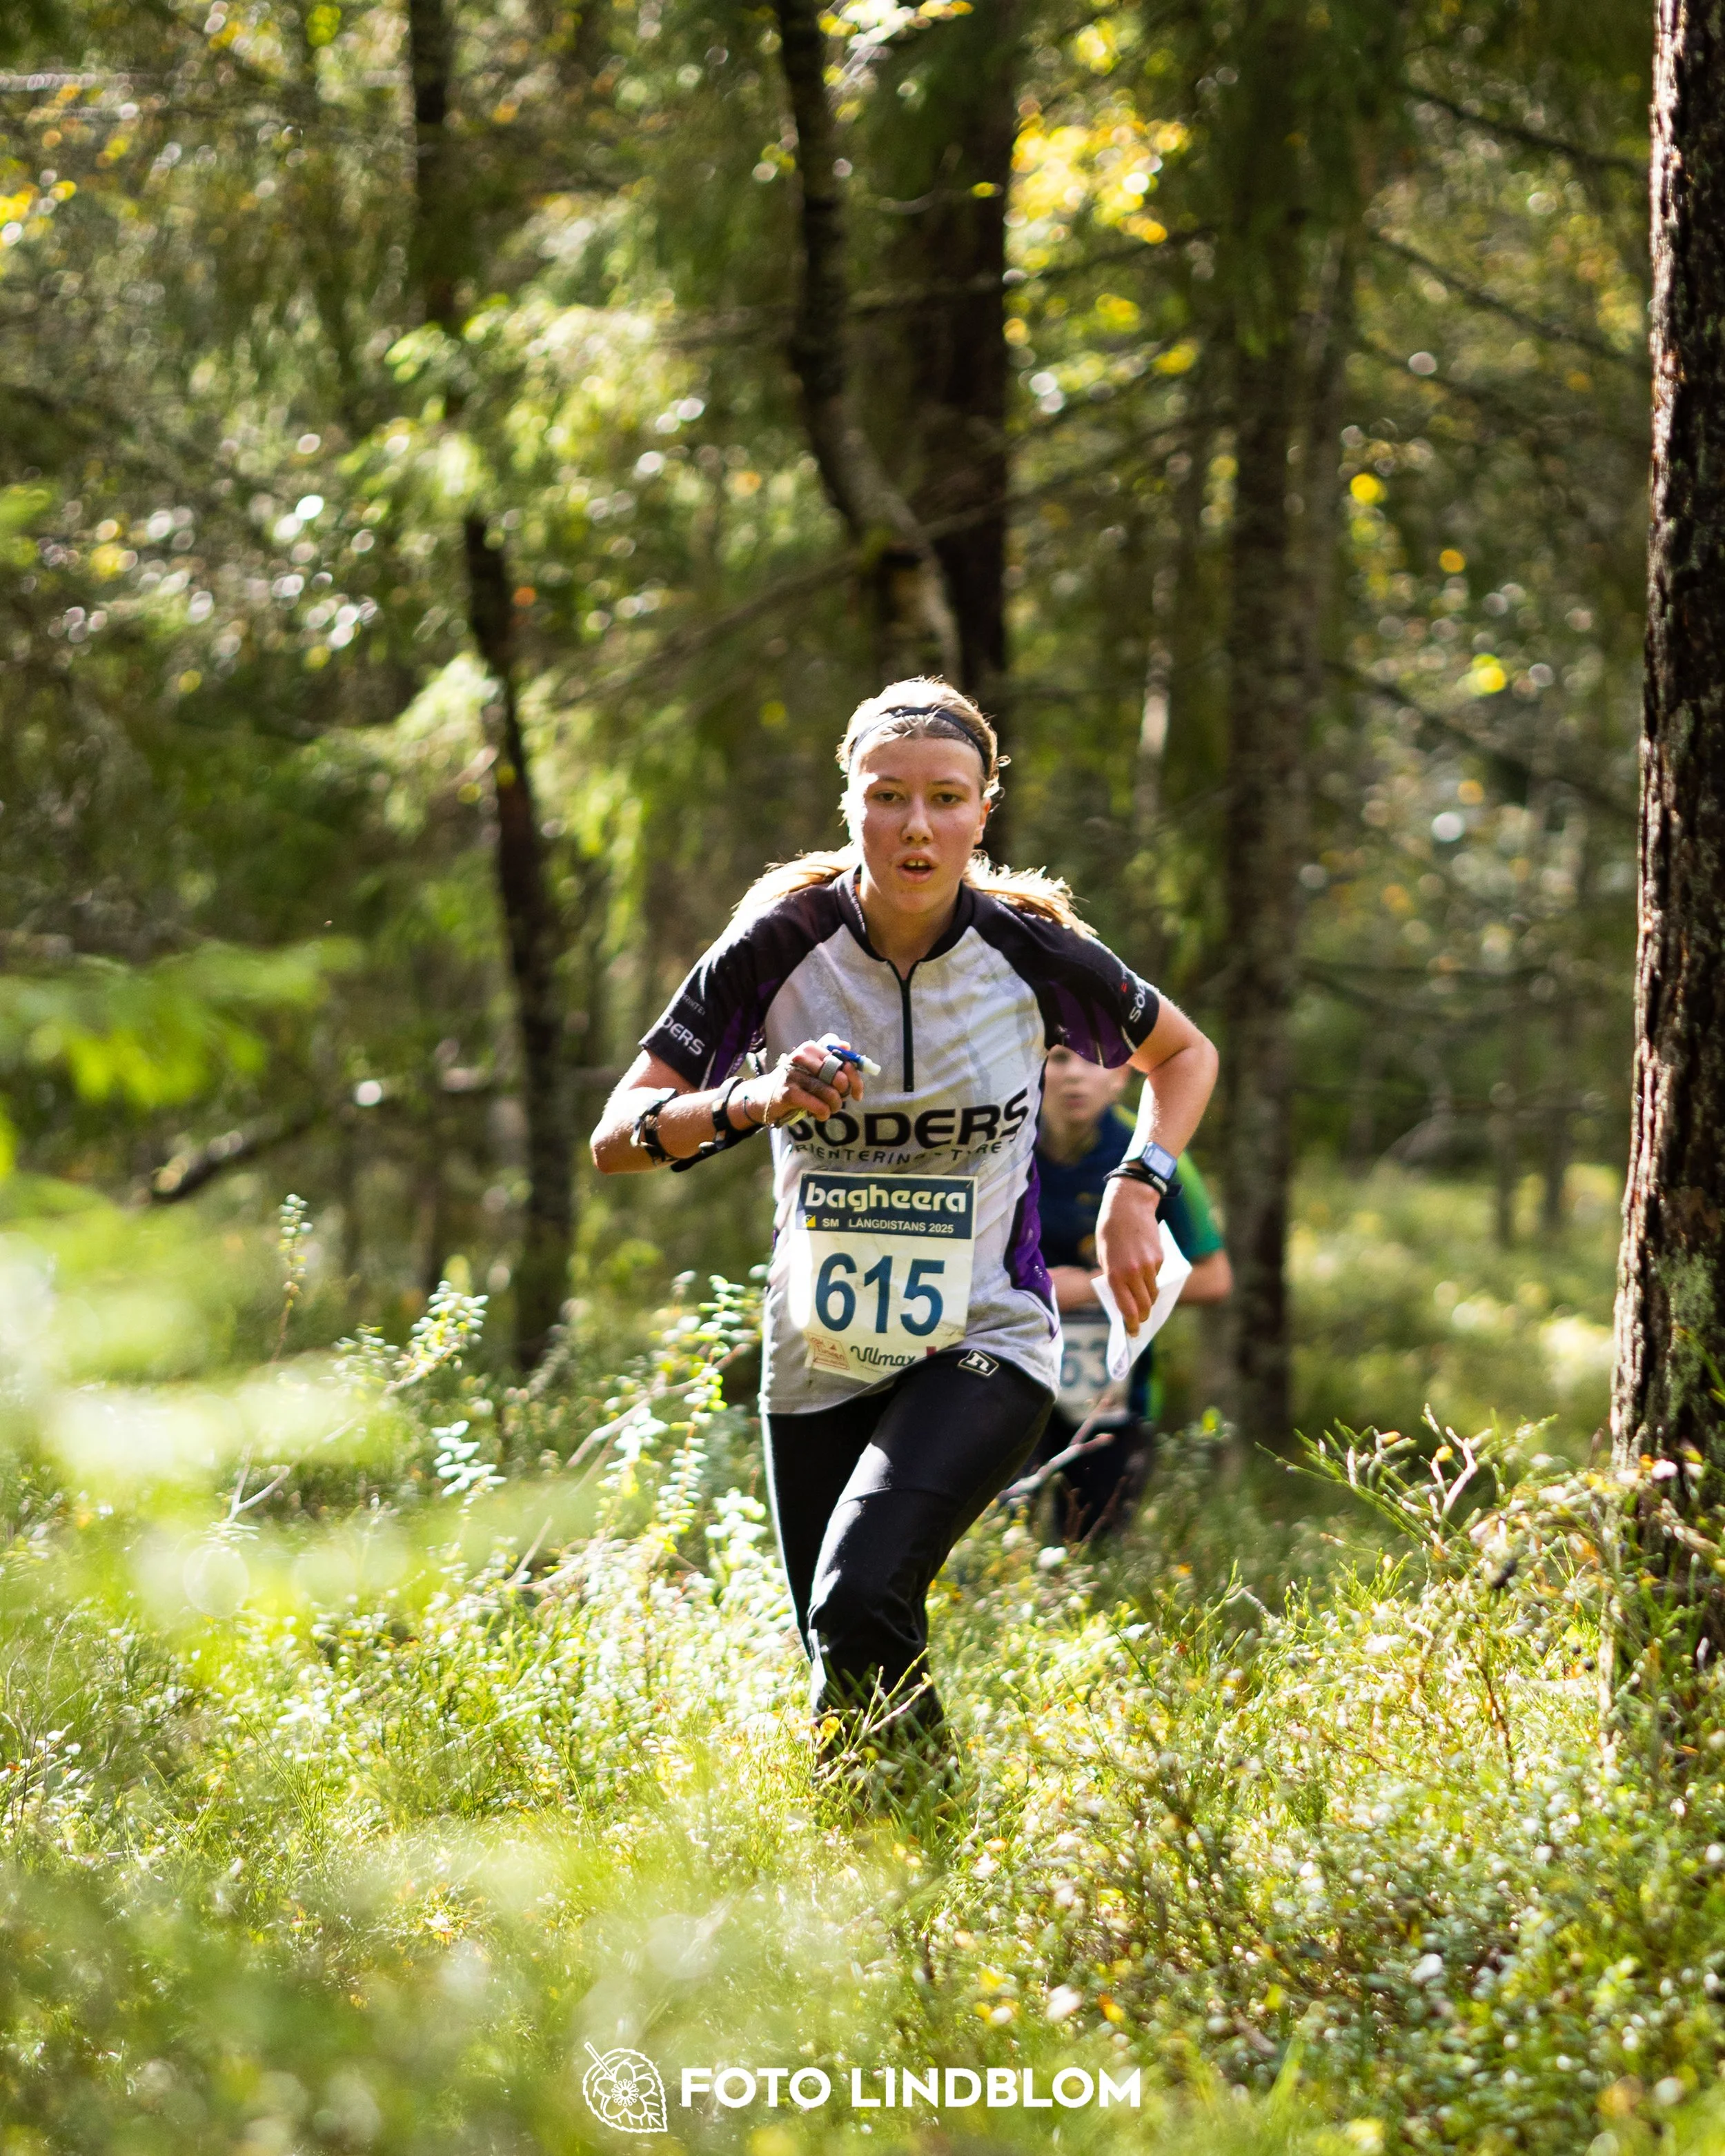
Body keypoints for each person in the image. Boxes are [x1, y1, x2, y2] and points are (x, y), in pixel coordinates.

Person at [590, 678, 1218, 1763]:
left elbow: (1185, 1053)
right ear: (851, 805)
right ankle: (890, 1874)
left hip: (986, 1334)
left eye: (946, 799)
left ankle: (938, 1825)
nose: (916, 825)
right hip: (818, 1350)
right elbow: (619, 1135)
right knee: (843, 1650)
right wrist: (759, 1096)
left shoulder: (1032, 948)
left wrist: (1137, 1184)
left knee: (859, 1589)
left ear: (983, 813)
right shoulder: (778, 942)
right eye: (888, 797)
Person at [1025, 1045, 1232, 1543]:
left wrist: (1094, 1287)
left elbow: (1215, 1276)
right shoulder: (1002, 1150)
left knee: (1095, 1548)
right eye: (1057, 1059)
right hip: (1009, 1375)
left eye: (1091, 1061)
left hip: (1115, 1390)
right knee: (998, 1538)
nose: (1075, 1076)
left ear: (1120, 1077)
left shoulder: (1155, 1158)